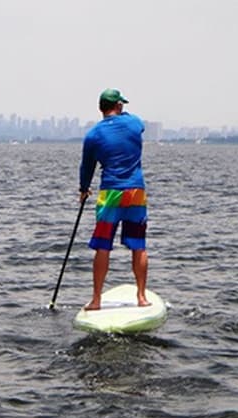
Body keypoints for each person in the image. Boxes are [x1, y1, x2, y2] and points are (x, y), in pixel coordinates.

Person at [79, 88, 150, 310]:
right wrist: (122, 111)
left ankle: (97, 300)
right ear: (118, 107)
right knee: (138, 246)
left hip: (109, 193)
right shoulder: (133, 123)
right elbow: (136, 122)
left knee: (102, 247)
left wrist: (83, 189)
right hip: (135, 193)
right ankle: (141, 297)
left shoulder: (93, 135)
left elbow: (87, 167)